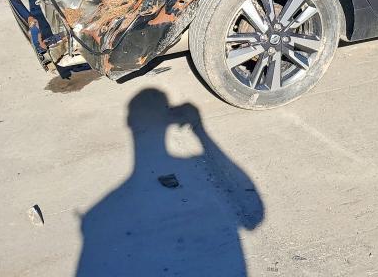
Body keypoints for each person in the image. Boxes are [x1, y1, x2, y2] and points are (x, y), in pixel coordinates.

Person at [76, 88, 263, 276]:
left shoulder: (95, 219)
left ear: (129, 123)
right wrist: (200, 132)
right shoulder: (95, 219)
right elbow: (254, 218)